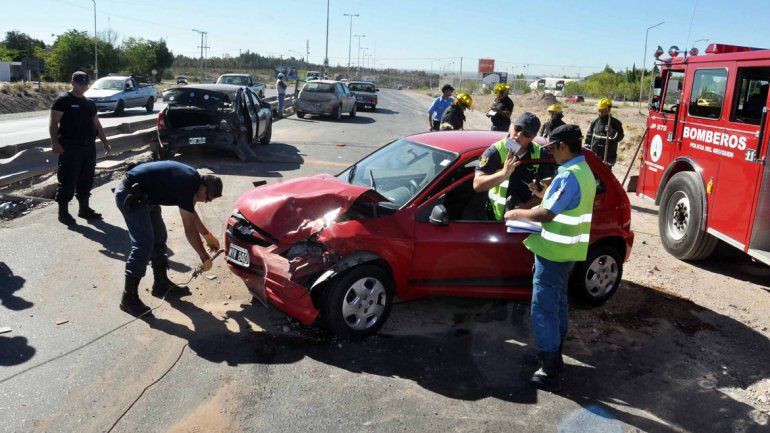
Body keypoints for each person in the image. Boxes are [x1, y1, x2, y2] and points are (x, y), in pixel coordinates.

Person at [504, 124, 596, 390]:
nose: (552, 154)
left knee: (543, 308)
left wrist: (516, 214)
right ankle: (556, 357)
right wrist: (544, 195)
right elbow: (566, 204)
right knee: (558, 304)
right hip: (568, 252)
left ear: (563, 146)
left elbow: (546, 215)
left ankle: (548, 367)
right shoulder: (583, 171)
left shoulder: (568, 176)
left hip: (553, 252)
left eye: (553, 149)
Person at [114, 161, 223, 317]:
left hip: (146, 196)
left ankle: (160, 283)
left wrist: (207, 235)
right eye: (208, 199)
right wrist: (204, 256)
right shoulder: (189, 183)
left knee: (159, 237)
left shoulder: (193, 181)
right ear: (204, 188)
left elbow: (190, 212)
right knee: (143, 243)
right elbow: (189, 230)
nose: (206, 202)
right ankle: (128, 298)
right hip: (130, 194)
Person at [49, 71, 111, 225]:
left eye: (85, 84)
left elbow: (97, 124)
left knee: (86, 179)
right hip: (70, 147)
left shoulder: (89, 103)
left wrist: (105, 142)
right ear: (72, 82)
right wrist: (55, 142)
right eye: (79, 83)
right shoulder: (62, 101)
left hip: (88, 147)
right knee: (68, 179)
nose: (83, 86)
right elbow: (53, 123)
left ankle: (84, 209)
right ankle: (63, 213)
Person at [474, 112, 555, 220]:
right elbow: (477, 185)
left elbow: (549, 190)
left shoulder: (540, 154)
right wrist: (503, 173)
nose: (519, 135)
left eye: (526, 133)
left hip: (524, 219)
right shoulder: (495, 152)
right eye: (517, 129)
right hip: (495, 218)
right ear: (511, 127)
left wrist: (523, 209)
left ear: (533, 137)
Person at [585, 98, 624, 166]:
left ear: (609, 110)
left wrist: (612, 132)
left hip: (608, 158)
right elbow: (589, 137)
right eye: (600, 110)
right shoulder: (595, 122)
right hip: (594, 156)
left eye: (604, 111)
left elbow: (620, 137)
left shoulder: (616, 123)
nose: (601, 113)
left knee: (604, 176)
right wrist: (587, 153)